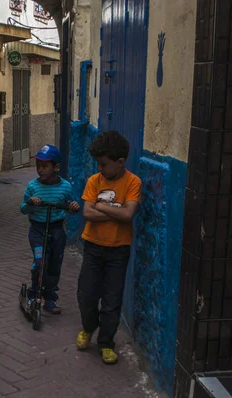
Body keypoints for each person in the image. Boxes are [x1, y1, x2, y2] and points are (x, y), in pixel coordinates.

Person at [75, 130, 142, 364]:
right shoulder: (94, 181)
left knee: (112, 300)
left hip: (118, 251)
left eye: (103, 164)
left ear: (120, 162)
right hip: (93, 247)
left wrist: (101, 208)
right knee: (86, 294)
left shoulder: (133, 182)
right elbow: (86, 212)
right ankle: (88, 327)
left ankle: (106, 342)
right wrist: (116, 212)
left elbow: (129, 214)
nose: (100, 169)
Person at [20, 144, 80, 314]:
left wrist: (74, 207)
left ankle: (50, 298)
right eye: (38, 166)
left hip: (56, 231)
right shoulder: (32, 186)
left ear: (56, 167)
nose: (40, 170)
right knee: (40, 261)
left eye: (45, 166)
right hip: (37, 230)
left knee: (54, 263)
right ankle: (34, 293)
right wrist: (31, 203)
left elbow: (71, 205)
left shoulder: (65, 187)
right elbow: (23, 208)